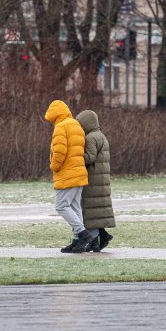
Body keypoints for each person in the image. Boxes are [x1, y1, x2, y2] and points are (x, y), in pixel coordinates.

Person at [44, 100, 96, 253]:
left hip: (67, 174)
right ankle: (77, 241)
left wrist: (54, 166)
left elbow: (60, 151)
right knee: (74, 206)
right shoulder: (75, 124)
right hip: (79, 173)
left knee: (61, 206)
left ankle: (83, 234)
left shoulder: (61, 127)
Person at [75, 110, 115, 252]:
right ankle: (101, 237)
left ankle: (94, 242)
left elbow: (89, 157)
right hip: (101, 179)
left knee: (90, 212)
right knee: (96, 212)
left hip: (93, 180)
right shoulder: (101, 135)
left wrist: (75, 157)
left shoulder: (91, 137)